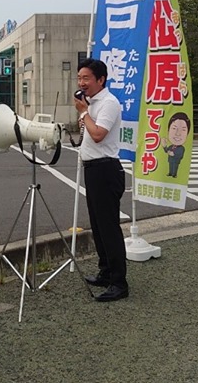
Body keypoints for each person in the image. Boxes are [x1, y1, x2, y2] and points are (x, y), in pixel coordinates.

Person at [74, 58, 128, 302]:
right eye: (79, 78)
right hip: (93, 170)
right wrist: (85, 111)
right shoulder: (91, 103)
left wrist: (84, 112)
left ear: (100, 80)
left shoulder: (108, 103)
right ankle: (106, 271)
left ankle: (119, 283)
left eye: (86, 78)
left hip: (106, 170)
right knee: (97, 226)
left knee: (109, 228)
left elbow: (97, 135)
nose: (81, 83)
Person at [162, 112, 191, 178]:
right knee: (170, 166)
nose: (178, 133)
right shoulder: (171, 146)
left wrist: (174, 154)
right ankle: (170, 173)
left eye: (183, 130)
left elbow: (180, 155)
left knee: (175, 167)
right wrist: (164, 146)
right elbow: (167, 151)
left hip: (176, 160)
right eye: (174, 128)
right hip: (170, 160)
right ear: (168, 131)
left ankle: (174, 174)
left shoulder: (181, 148)